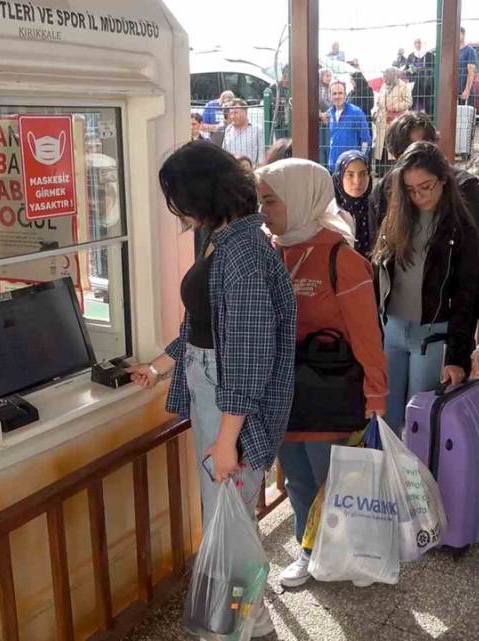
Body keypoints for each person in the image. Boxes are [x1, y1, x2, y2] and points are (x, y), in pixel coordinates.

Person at [127, 141, 296, 637]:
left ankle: (249, 626)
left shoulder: (242, 253)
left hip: (230, 400)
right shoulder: (222, 237)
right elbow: (204, 324)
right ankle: (238, 622)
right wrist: (160, 366)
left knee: (232, 516)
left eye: (176, 197)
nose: (174, 208)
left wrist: (227, 440)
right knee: (227, 514)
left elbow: (246, 357)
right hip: (214, 388)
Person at [254, 159, 388, 589]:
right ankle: (309, 551)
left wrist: (376, 396)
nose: (263, 210)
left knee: (335, 480)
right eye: (261, 200)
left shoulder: (340, 257)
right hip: (283, 390)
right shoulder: (272, 249)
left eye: (270, 200)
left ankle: (349, 552)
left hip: (329, 391)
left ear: (299, 197)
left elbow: (367, 334)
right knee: (297, 476)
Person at [373, 141, 479, 433]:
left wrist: (459, 357)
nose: (419, 196)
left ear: (444, 180)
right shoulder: (395, 218)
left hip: (432, 336)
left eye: (426, 187)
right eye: (410, 189)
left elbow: (465, 296)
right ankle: (387, 478)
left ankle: (417, 479)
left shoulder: (461, 228)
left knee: (420, 421)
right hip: (391, 329)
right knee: (385, 419)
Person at [374, 112, 479, 335]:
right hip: (394, 318)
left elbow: (478, 251)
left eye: (423, 146)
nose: (417, 158)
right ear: (395, 157)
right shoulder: (385, 191)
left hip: (445, 318)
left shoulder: (464, 188)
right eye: (408, 153)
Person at [333, 150, 375, 257]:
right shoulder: (330, 213)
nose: (357, 181)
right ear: (339, 177)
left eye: (363, 174)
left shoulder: (377, 209)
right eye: (350, 175)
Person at [324, 80, 372, 172]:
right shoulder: (330, 113)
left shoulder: (356, 112)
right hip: (333, 166)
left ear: (345, 94)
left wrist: (361, 159)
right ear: (330, 96)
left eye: (340, 93)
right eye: (334, 94)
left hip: (350, 166)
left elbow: (366, 140)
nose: (337, 96)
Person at [373, 67, 413, 170]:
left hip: (396, 119)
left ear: (392, 76)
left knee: (393, 142)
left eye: (386, 77)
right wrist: (379, 103)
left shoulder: (403, 86)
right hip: (383, 119)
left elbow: (409, 102)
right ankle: (380, 169)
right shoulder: (383, 86)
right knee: (382, 145)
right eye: (384, 77)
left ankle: (392, 169)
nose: (384, 79)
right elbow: (380, 100)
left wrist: (395, 107)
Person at [222, 99, 265, 166]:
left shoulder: (257, 130)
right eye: (231, 113)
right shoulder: (228, 129)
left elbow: (261, 155)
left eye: (236, 113)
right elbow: (224, 152)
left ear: (245, 112)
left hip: (250, 172)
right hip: (232, 171)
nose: (232, 116)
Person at [458, 27, 477, 105]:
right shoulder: (454, 50)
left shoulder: (469, 50)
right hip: (455, 91)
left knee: (465, 115)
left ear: (462, 34)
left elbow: (471, 72)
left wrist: (467, 90)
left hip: (464, 90)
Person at [273, 64, 292, 140]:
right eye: (285, 76)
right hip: (280, 124)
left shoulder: (295, 87)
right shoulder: (276, 88)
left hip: (292, 123)